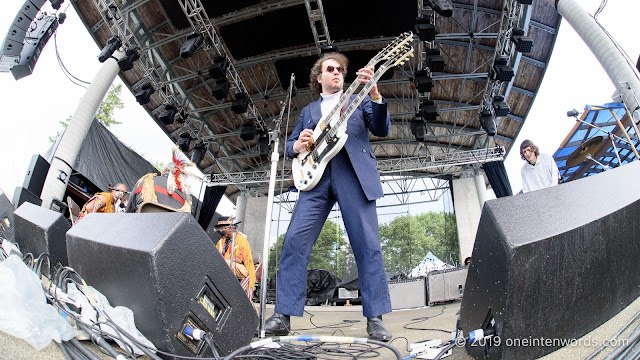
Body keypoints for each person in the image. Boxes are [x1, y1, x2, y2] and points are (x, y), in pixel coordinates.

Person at [264, 52, 393, 341]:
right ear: (318, 77)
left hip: (353, 174)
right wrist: (296, 144)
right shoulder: (308, 111)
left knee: (367, 245)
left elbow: (382, 128)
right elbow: (289, 146)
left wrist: (374, 94)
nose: (337, 73)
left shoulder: (358, 101)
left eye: (341, 70)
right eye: (330, 69)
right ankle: (282, 315)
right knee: (294, 242)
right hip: (315, 180)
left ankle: (376, 318)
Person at [126, 148, 198, 213]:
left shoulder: (146, 181)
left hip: (140, 225)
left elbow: (128, 213)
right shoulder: (185, 199)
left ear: (163, 173)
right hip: (170, 227)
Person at [214, 216, 256, 300]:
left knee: (225, 263)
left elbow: (239, 260)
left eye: (222, 229)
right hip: (225, 266)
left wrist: (223, 260)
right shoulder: (220, 242)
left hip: (243, 269)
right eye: (219, 230)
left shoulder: (241, 239)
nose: (220, 232)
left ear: (230, 228)